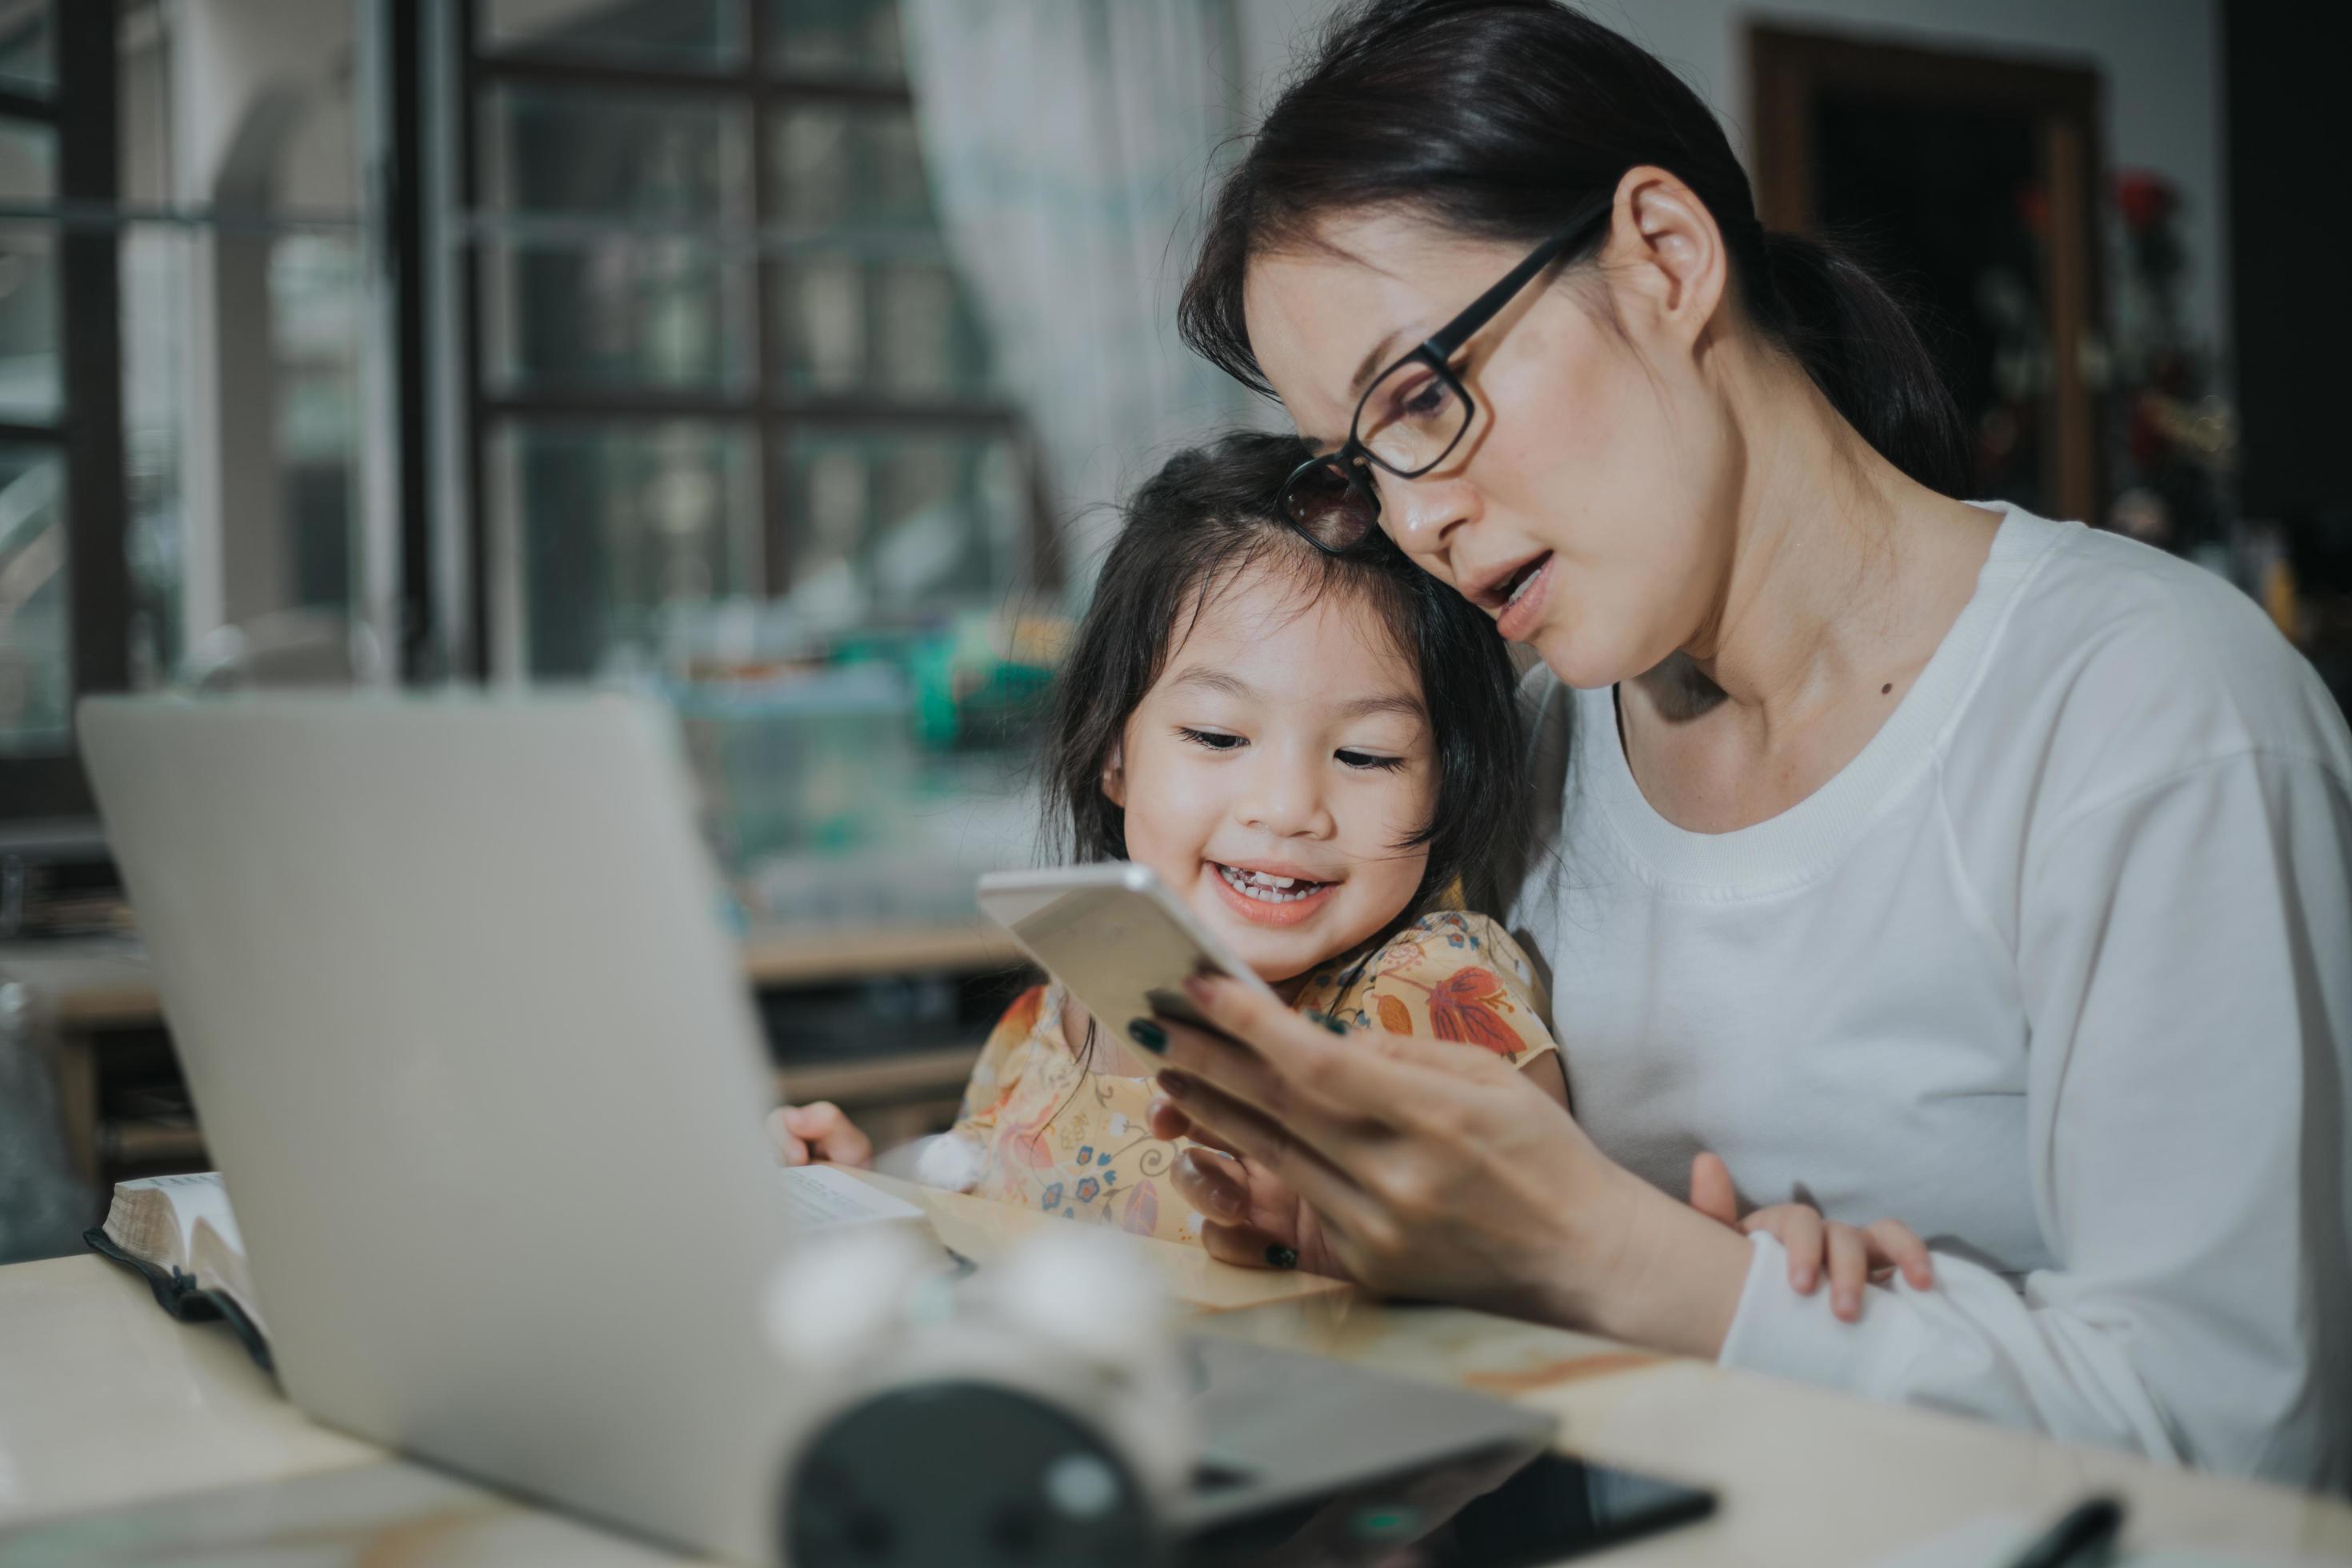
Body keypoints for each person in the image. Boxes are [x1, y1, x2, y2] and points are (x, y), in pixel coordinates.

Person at [1141, 0, 2352, 1489]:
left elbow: (2240, 1439)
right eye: (1356, 463)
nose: (1414, 518)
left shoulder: (2151, 710)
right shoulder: (1526, 755)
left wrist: (1649, 1270)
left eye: (1421, 397)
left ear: (1664, 256)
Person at [774, 431, 1574, 1246]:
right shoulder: (1058, 1013)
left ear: (1451, 777)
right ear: (1114, 752)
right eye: (1220, 737)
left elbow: (1541, 1276)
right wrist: (866, 1199)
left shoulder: (1434, 996)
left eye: (1365, 754)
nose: (1289, 807)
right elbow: (986, 1244)